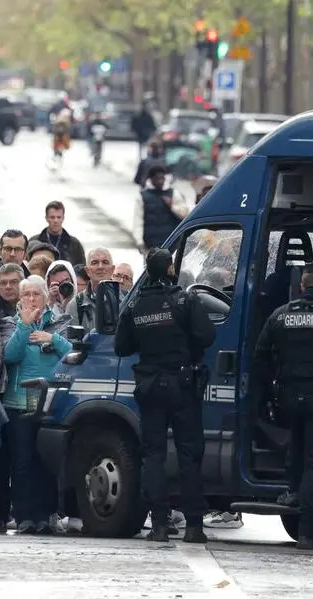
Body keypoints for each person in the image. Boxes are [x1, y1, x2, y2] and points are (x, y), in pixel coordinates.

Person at [114, 248, 215, 543]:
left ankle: (158, 524)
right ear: (170, 268)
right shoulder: (184, 299)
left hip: (149, 386)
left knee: (153, 456)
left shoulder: (136, 305)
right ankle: (194, 526)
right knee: (189, 454)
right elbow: (207, 336)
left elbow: (122, 346)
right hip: (182, 385)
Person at [3, 275, 72, 534]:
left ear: (45, 297)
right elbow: (10, 355)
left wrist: (51, 339)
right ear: (20, 299)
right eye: (26, 294)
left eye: (36, 294)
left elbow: (73, 352)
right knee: (22, 463)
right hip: (19, 402)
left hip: (50, 404)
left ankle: (46, 515)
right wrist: (25, 327)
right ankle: (24, 516)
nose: (31, 299)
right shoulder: (12, 322)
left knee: (46, 462)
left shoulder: (59, 322)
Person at [252, 264, 313, 550]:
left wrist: (267, 392)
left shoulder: (280, 315)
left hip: (289, 396)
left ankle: (291, 491)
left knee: (296, 447)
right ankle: (306, 532)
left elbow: (260, 356)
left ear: (302, 285)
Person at [133, 165, 190, 254]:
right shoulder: (142, 196)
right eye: (157, 178)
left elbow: (185, 214)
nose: (160, 181)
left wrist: (172, 206)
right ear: (151, 179)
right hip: (151, 244)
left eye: (162, 178)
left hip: (172, 242)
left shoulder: (174, 193)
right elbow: (138, 220)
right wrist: (139, 242)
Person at [67, 248, 115, 329]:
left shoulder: (125, 300)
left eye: (105, 262)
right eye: (95, 262)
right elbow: (72, 341)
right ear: (87, 270)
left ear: (112, 269)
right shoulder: (75, 305)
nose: (100, 267)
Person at [30, 201, 85, 266]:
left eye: (59, 217)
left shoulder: (74, 243)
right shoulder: (34, 242)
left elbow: (81, 269)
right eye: (52, 217)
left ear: (63, 218)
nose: (56, 221)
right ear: (46, 218)